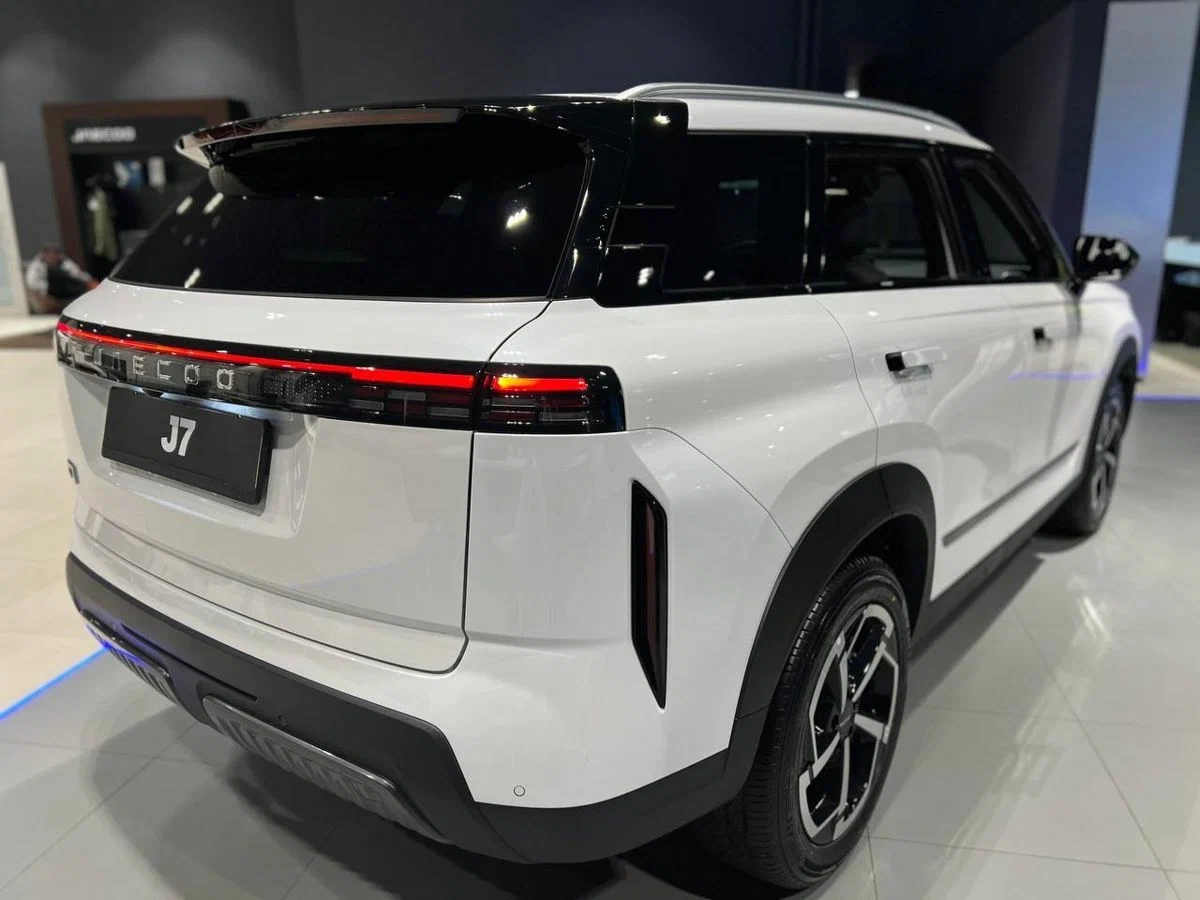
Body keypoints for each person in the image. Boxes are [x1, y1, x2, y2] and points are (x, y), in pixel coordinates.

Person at [25, 244, 98, 314]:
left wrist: (91, 282)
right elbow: (32, 284)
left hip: (65, 293)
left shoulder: (64, 262)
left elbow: (78, 274)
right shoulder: (36, 266)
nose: (52, 256)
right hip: (46, 295)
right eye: (49, 253)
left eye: (55, 253)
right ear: (44, 254)